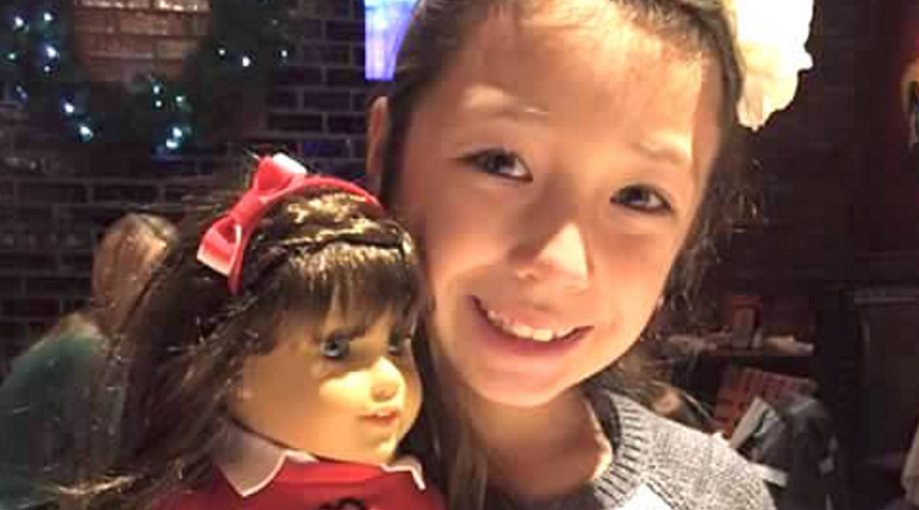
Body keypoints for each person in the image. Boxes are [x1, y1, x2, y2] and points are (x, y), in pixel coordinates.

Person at [364, 0, 812, 508]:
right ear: (385, 150)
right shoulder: (288, 464)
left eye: (638, 197)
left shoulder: (712, 497)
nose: (561, 264)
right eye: (501, 163)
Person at [57, 154, 445, 510]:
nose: (390, 381)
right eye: (336, 348)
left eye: (397, 345)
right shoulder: (197, 501)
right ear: (235, 366)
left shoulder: (414, 492)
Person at [0, 212, 177, 509]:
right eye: (148, 278)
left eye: (167, 279)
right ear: (112, 279)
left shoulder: (89, 338)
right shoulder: (88, 351)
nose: (161, 293)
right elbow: (107, 473)